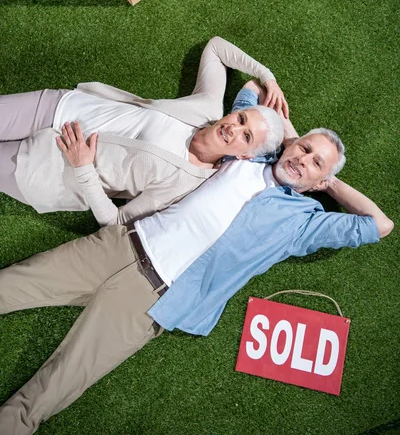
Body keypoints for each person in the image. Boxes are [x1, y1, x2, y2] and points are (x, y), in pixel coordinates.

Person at [0, 85, 393, 434]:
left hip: (153, 299)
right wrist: (291, 138)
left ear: (320, 181)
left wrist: (328, 179)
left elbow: (380, 225)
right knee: (11, 283)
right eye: (303, 148)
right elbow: (250, 91)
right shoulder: (246, 154)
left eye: (315, 163)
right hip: (120, 244)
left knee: (52, 389)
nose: (303, 160)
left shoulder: (303, 223)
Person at [0, 37, 285, 226]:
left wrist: (84, 168)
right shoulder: (207, 107)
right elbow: (215, 48)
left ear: (246, 156)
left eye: (246, 136)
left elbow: (117, 222)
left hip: (49, 169)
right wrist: (267, 76)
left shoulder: (186, 183)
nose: (234, 128)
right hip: (58, 107)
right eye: (241, 118)